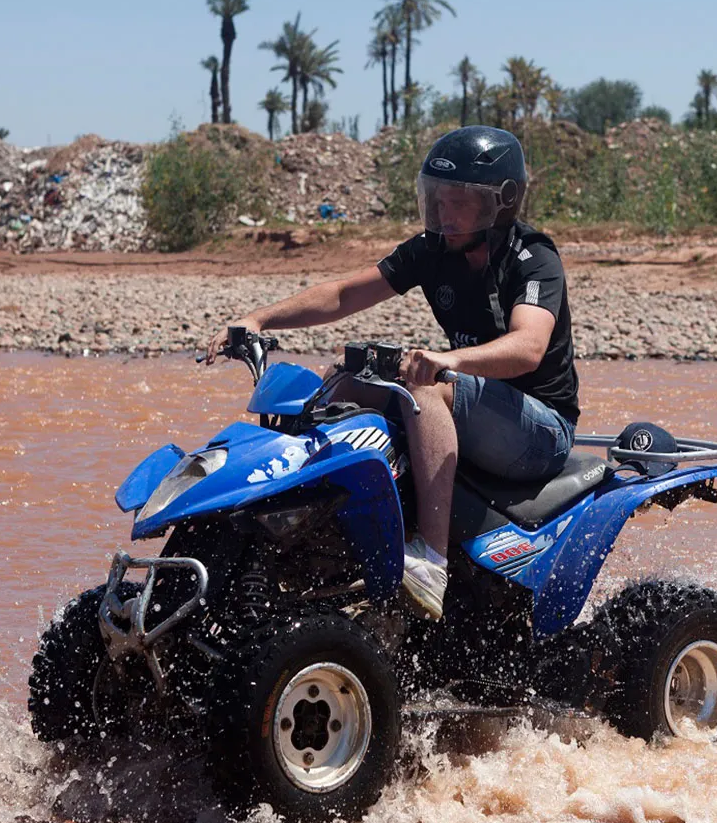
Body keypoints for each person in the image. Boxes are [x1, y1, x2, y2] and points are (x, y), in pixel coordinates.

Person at [206, 125, 579, 621]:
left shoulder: (533, 258)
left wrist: (449, 361)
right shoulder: (433, 250)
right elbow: (345, 293)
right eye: (436, 200)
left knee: (422, 388)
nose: (442, 213)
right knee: (346, 379)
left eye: (458, 201)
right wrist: (259, 319)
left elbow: (528, 347)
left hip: (539, 430)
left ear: (501, 202)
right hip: (478, 411)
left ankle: (431, 560)